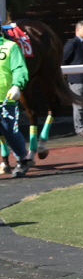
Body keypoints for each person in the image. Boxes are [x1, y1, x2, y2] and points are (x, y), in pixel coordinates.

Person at [0, 33, 33, 177]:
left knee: (10, 132)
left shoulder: (10, 47)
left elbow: (19, 68)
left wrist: (16, 86)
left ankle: (22, 160)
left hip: (5, 99)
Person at [62, 20, 83, 137]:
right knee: (79, 105)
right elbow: (63, 59)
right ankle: (79, 128)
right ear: (77, 30)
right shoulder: (72, 43)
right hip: (77, 79)